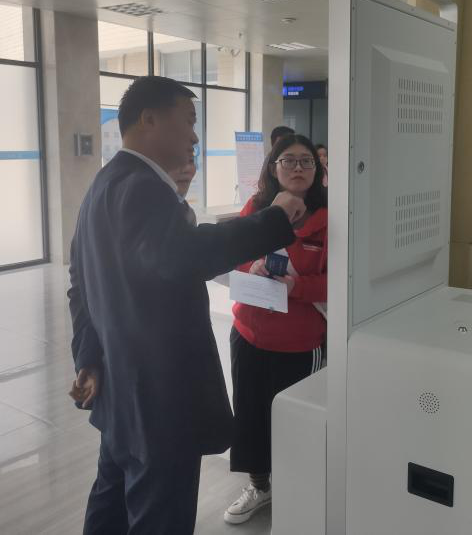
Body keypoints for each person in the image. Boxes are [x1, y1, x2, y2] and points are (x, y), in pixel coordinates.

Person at [67, 75, 306, 535]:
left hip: (121, 392)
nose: (195, 136)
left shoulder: (103, 183)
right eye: (189, 121)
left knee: (110, 506)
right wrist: (275, 217)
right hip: (161, 401)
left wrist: (89, 358)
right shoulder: (144, 188)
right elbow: (185, 256)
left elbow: (81, 284)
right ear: (149, 119)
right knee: (161, 517)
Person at [224, 134, 327, 525]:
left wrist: (297, 286)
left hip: (299, 344)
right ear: (273, 167)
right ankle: (259, 486)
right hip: (248, 333)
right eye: (289, 160)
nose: (298, 167)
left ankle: (297, 493)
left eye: (306, 161)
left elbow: (339, 283)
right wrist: (250, 267)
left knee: (295, 422)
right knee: (250, 415)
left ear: (317, 170)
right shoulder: (257, 209)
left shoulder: (331, 217)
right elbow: (232, 257)